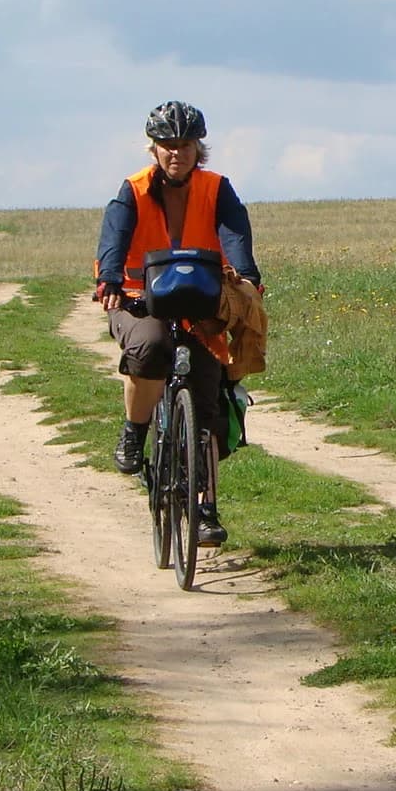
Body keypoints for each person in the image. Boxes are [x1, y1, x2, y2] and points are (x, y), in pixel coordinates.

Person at [93, 100, 262, 545]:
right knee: (149, 346)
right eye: (167, 145)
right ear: (154, 149)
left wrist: (246, 276)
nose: (176, 154)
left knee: (207, 402)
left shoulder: (216, 188)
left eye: (185, 145)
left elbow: (234, 235)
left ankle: (205, 507)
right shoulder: (132, 190)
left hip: (201, 300)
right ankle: (134, 432)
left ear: (197, 149)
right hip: (136, 299)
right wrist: (110, 278)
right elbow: (114, 238)